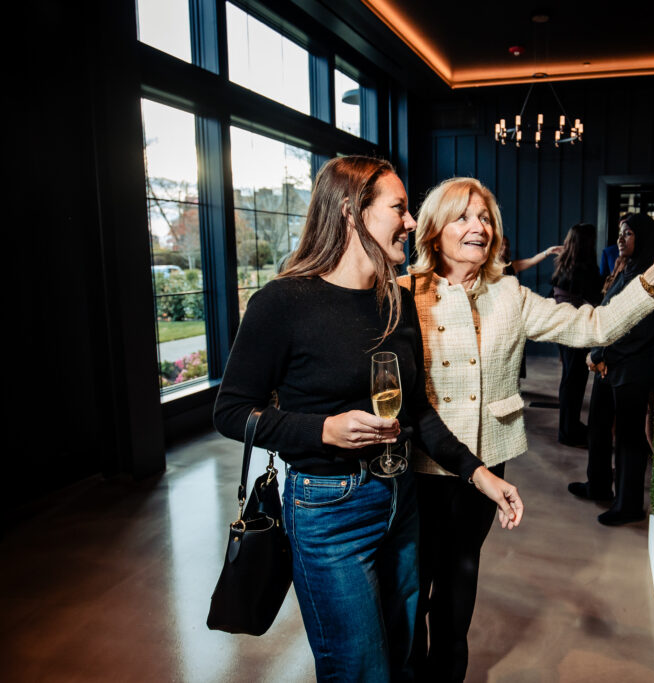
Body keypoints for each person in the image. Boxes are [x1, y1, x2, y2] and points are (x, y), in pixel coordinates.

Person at [212, 157, 524, 683]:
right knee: (360, 668)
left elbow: (418, 411)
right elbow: (231, 411)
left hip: (399, 499)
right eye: (399, 209)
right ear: (351, 211)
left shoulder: (395, 301)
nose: (409, 222)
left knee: (402, 654)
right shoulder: (282, 302)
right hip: (327, 509)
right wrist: (322, 430)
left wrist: (480, 475)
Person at [400, 177, 654, 681]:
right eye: (464, 217)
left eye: (486, 217)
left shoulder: (509, 293)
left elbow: (593, 326)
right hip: (419, 465)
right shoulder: (403, 293)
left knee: (458, 580)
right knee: (410, 587)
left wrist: (653, 276)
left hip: (486, 460)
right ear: (433, 230)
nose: (480, 227)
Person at [568, 212, 654, 526]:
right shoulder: (628, 268)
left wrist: (603, 354)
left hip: (630, 368)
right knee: (597, 426)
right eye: (621, 233)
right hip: (608, 363)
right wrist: (599, 352)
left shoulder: (650, 275)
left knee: (628, 439)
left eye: (628, 234)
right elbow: (609, 312)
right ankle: (598, 484)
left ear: (643, 238)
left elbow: (639, 328)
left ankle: (628, 504)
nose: (621, 239)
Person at [550, 223, 603, 446]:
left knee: (568, 380)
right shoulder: (585, 268)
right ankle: (568, 432)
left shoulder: (563, 263)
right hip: (575, 329)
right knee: (575, 382)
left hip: (562, 326)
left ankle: (568, 426)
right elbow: (596, 296)